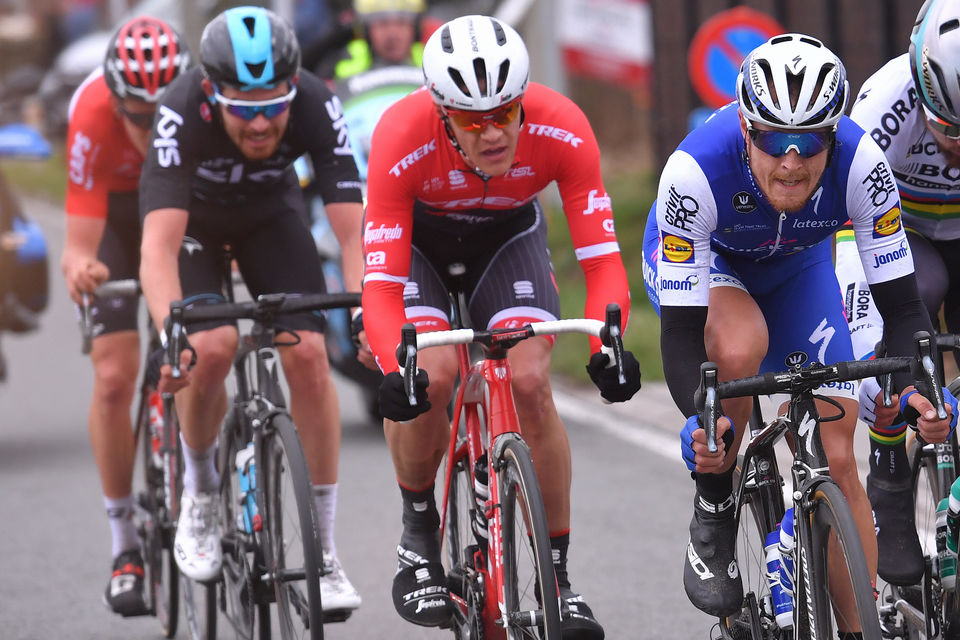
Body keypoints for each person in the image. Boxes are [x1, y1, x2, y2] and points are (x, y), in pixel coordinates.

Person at [640, 33, 957, 631]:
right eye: (772, 140)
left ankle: (859, 624)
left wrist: (917, 391)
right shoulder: (694, 172)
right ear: (744, 128)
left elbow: (904, 309)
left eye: (809, 142)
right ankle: (715, 500)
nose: (791, 160)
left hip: (798, 268)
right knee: (738, 345)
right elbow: (683, 340)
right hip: (713, 265)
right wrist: (700, 423)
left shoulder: (863, 165)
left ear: (832, 136)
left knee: (838, 456)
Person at [359, 14, 642, 639]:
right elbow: (379, 286)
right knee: (427, 375)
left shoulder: (563, 126)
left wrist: (607, 343)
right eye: (469, 120)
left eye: (505, 114)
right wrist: (390, 367)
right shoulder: (400, 135)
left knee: (532, 380)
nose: (492, 133)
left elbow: (602, 263)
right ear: (441, 114)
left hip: (507, 239)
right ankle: (417, 534)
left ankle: (558, 580)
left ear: (523, 103)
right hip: (420, 249)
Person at [138, 5, 364, 615]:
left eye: (275, 104)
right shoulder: (180, 109)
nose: (263, 122)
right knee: (208, 348)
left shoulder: (317, 100)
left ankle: (322, 551)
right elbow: (155, 249)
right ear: (214, 94)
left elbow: (353, 234)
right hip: (195, 228)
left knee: (312, 355)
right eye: (245, 108)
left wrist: (370, 315)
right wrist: (169, 335)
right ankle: (202, 493)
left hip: (271, 216)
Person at [59, 16, 188, 616]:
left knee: (200, 346)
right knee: (114, 376)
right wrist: (81, 266)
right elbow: (79, 237)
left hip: (178, 207)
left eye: (162, 112)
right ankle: (124, 545)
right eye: (138, 115)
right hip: (114, 215)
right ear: (115, 99)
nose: (152, 126)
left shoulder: (194, 110)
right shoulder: (90, 113)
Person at [834, 0, 960, 588]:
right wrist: (881, 366)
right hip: (898, 229)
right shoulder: (884, 105)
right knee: (907, 309)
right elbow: (852, 242)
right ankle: (887, 469)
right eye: (950, 130)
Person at [330, 0, 425, 80]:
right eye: (383, 24)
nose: (392, 34)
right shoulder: (342, 61)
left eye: (401, 23)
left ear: (416, 29)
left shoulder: (431, 59)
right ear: (365, 30)